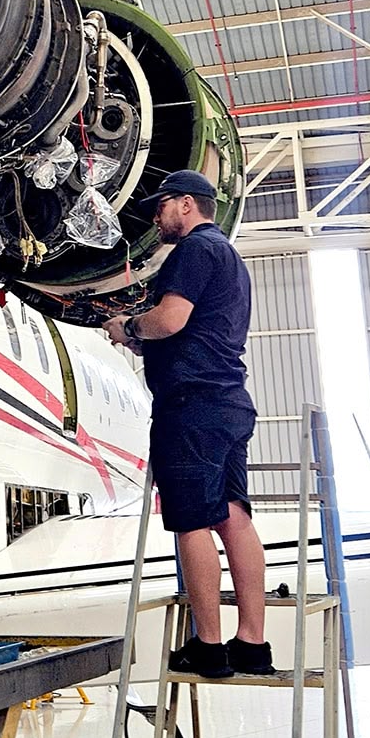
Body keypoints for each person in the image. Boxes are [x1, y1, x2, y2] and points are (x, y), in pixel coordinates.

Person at [105, 169, 272, 681]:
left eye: (161, 207)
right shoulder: (230, 258)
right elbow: (189, 331)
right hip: (227, 401)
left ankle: (208, 646)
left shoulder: (195, 251)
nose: (156, 217)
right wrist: (142, 340)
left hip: (190, 407)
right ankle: (252, 644)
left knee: (191, 523)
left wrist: (128, 325)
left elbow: (172, 319)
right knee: (232, 515)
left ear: (185, 205)